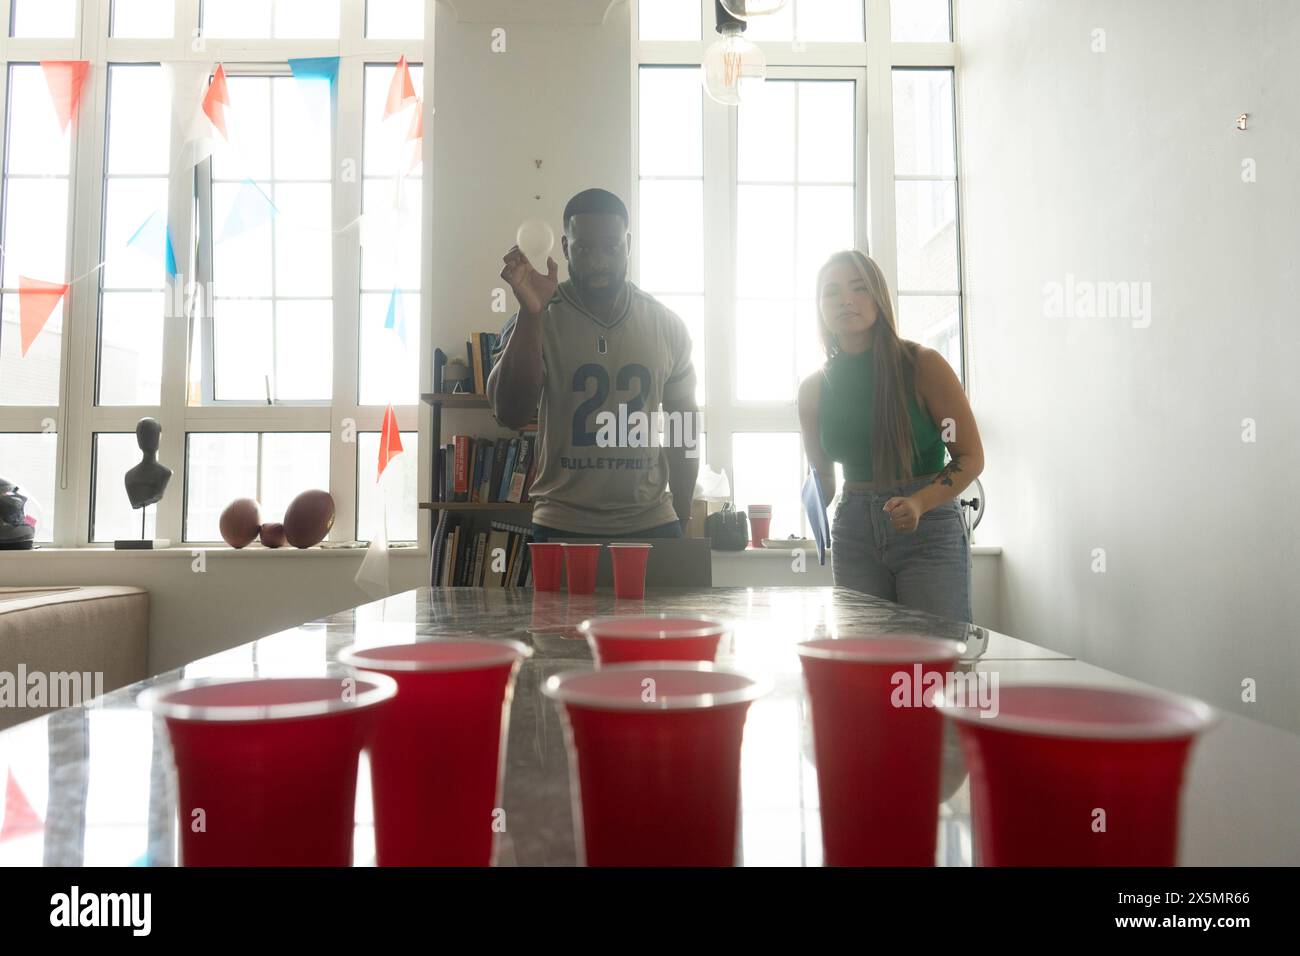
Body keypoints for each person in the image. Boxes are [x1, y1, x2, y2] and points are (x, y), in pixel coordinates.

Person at [487, 188, 700, 542]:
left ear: (628, 244)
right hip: (562, 523)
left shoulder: (667, 325)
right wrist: (530, 314)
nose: (599, 261)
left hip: (652, 521)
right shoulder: (537, 315)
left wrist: (683, 513)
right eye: (584, 248)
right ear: (567, 248)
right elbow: (509, 412)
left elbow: (685, 427)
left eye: (611, 247)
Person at [797, 250, 984, 622]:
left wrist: (918, 503)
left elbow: (970, 458)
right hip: (853, 529)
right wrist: (811, 505)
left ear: (879, 298)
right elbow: (824, 482)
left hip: (928, 527)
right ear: (820, 306)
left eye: (859, 288)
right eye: (831, 292)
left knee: (933, 664)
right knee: (865, 663)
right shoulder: (813, 389)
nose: (845, 300)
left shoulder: (923, 365)